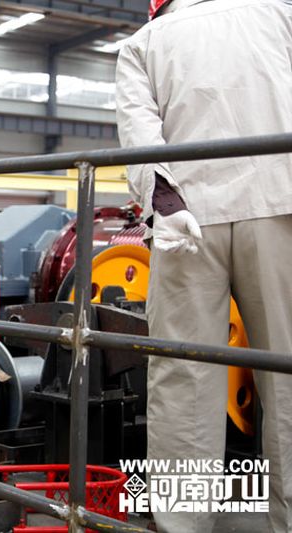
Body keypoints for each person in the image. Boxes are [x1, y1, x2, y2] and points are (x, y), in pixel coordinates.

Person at [115, 0, 292, 531]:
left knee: (185, 379)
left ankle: (183, 524)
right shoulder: (281, 15)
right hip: (279, 204)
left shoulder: (145, 43)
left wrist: (162, 199)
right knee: (288, 377)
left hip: (186, 220)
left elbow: (139, 131)